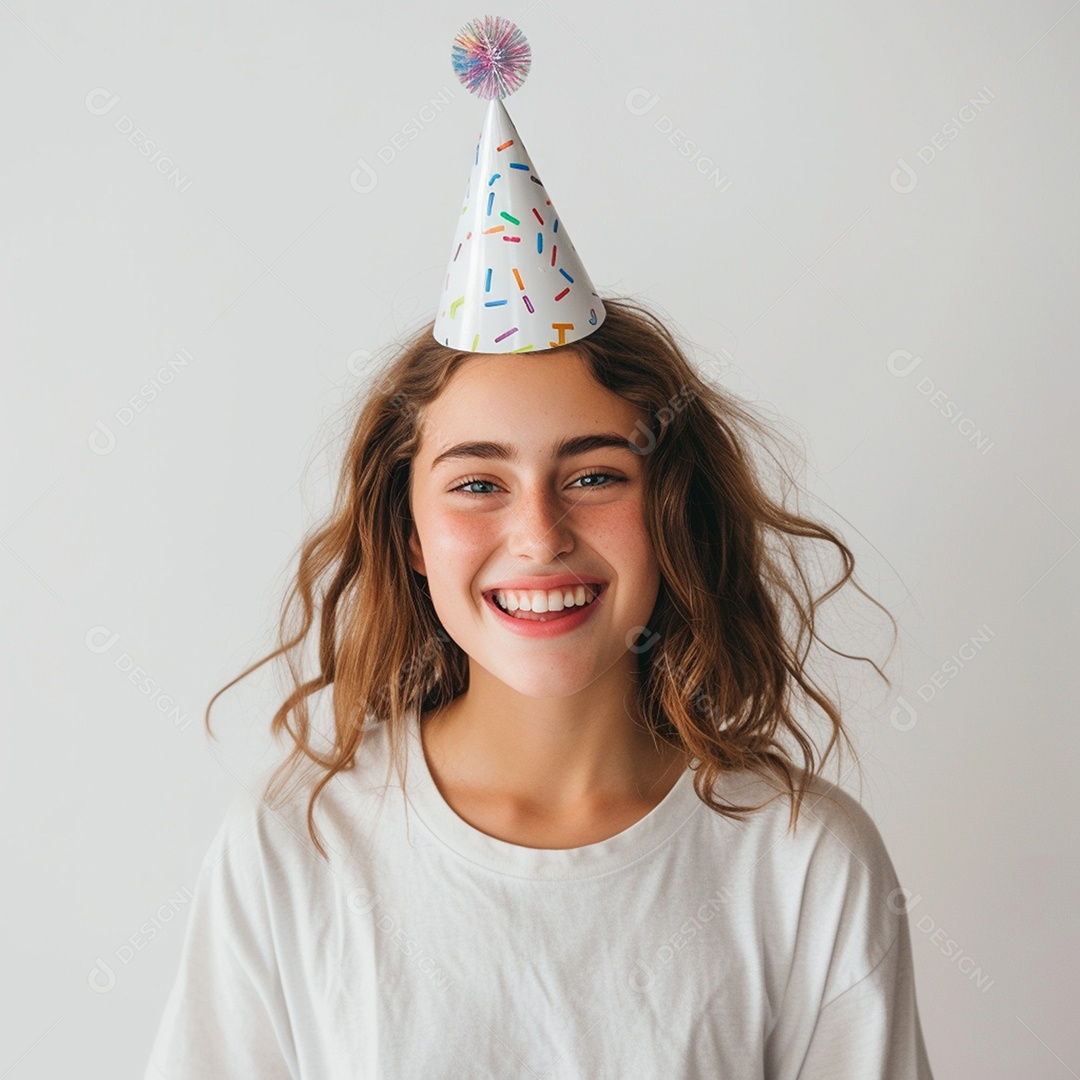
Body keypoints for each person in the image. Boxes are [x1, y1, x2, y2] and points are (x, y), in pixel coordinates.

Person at [144, 17, 934, 1077]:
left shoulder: (799, 861)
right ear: (411, 534)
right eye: (478, 482)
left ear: (669, 509)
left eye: (595, 475)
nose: (539, 534)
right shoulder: (300, 845)